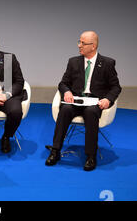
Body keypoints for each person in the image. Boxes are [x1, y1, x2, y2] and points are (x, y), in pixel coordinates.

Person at [46, 31, 121, 171]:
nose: (79, 45)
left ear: (93, 46)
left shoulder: (107, 63)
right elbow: (63, 83)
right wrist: (67, 91)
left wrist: (107, 99)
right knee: (65, 110)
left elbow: (116, 87)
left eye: (82, 43)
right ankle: (55, 151)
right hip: (76, 100)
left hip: (94, 102)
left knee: (91, 113)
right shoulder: (73, 61)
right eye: (79, 42)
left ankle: (90, 155)